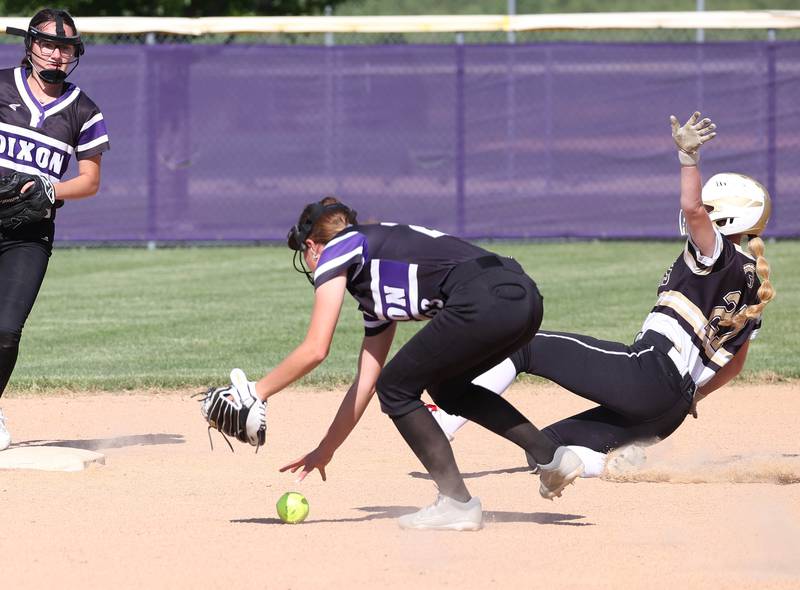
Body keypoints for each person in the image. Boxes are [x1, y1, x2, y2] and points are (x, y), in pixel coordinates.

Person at [201, 199, 584, 531]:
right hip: (523, 300)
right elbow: (365, 383)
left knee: (397, 387)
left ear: (314, 245)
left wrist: (256, 392)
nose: (310, 260)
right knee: (444, 388)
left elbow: (317, 348)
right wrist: (325, 450)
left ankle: (456, 503)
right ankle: (552, 456)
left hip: (484, 299)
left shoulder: (340, 246)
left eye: (306, 251)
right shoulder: (374, 282)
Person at [426, 112, 775, 477]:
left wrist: (688, 159)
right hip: (671, 411)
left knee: (523, 345)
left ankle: (447, 420)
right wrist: (694, 399)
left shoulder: (717, 254)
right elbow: (734, 365)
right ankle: (615, 464)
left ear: (728, 220)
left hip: (651, 373)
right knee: (545, 449)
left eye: (711, 209)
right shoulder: (755, 282)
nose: (699, 214)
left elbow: (693, 209)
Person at [0, 8, 110, 450]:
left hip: (29, 233)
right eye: (48, 44)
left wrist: (49, 189)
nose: (56, 55)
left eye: (65, 48)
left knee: (7, 329)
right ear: (30, 46)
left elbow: (90, 181)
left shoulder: (83, 109)